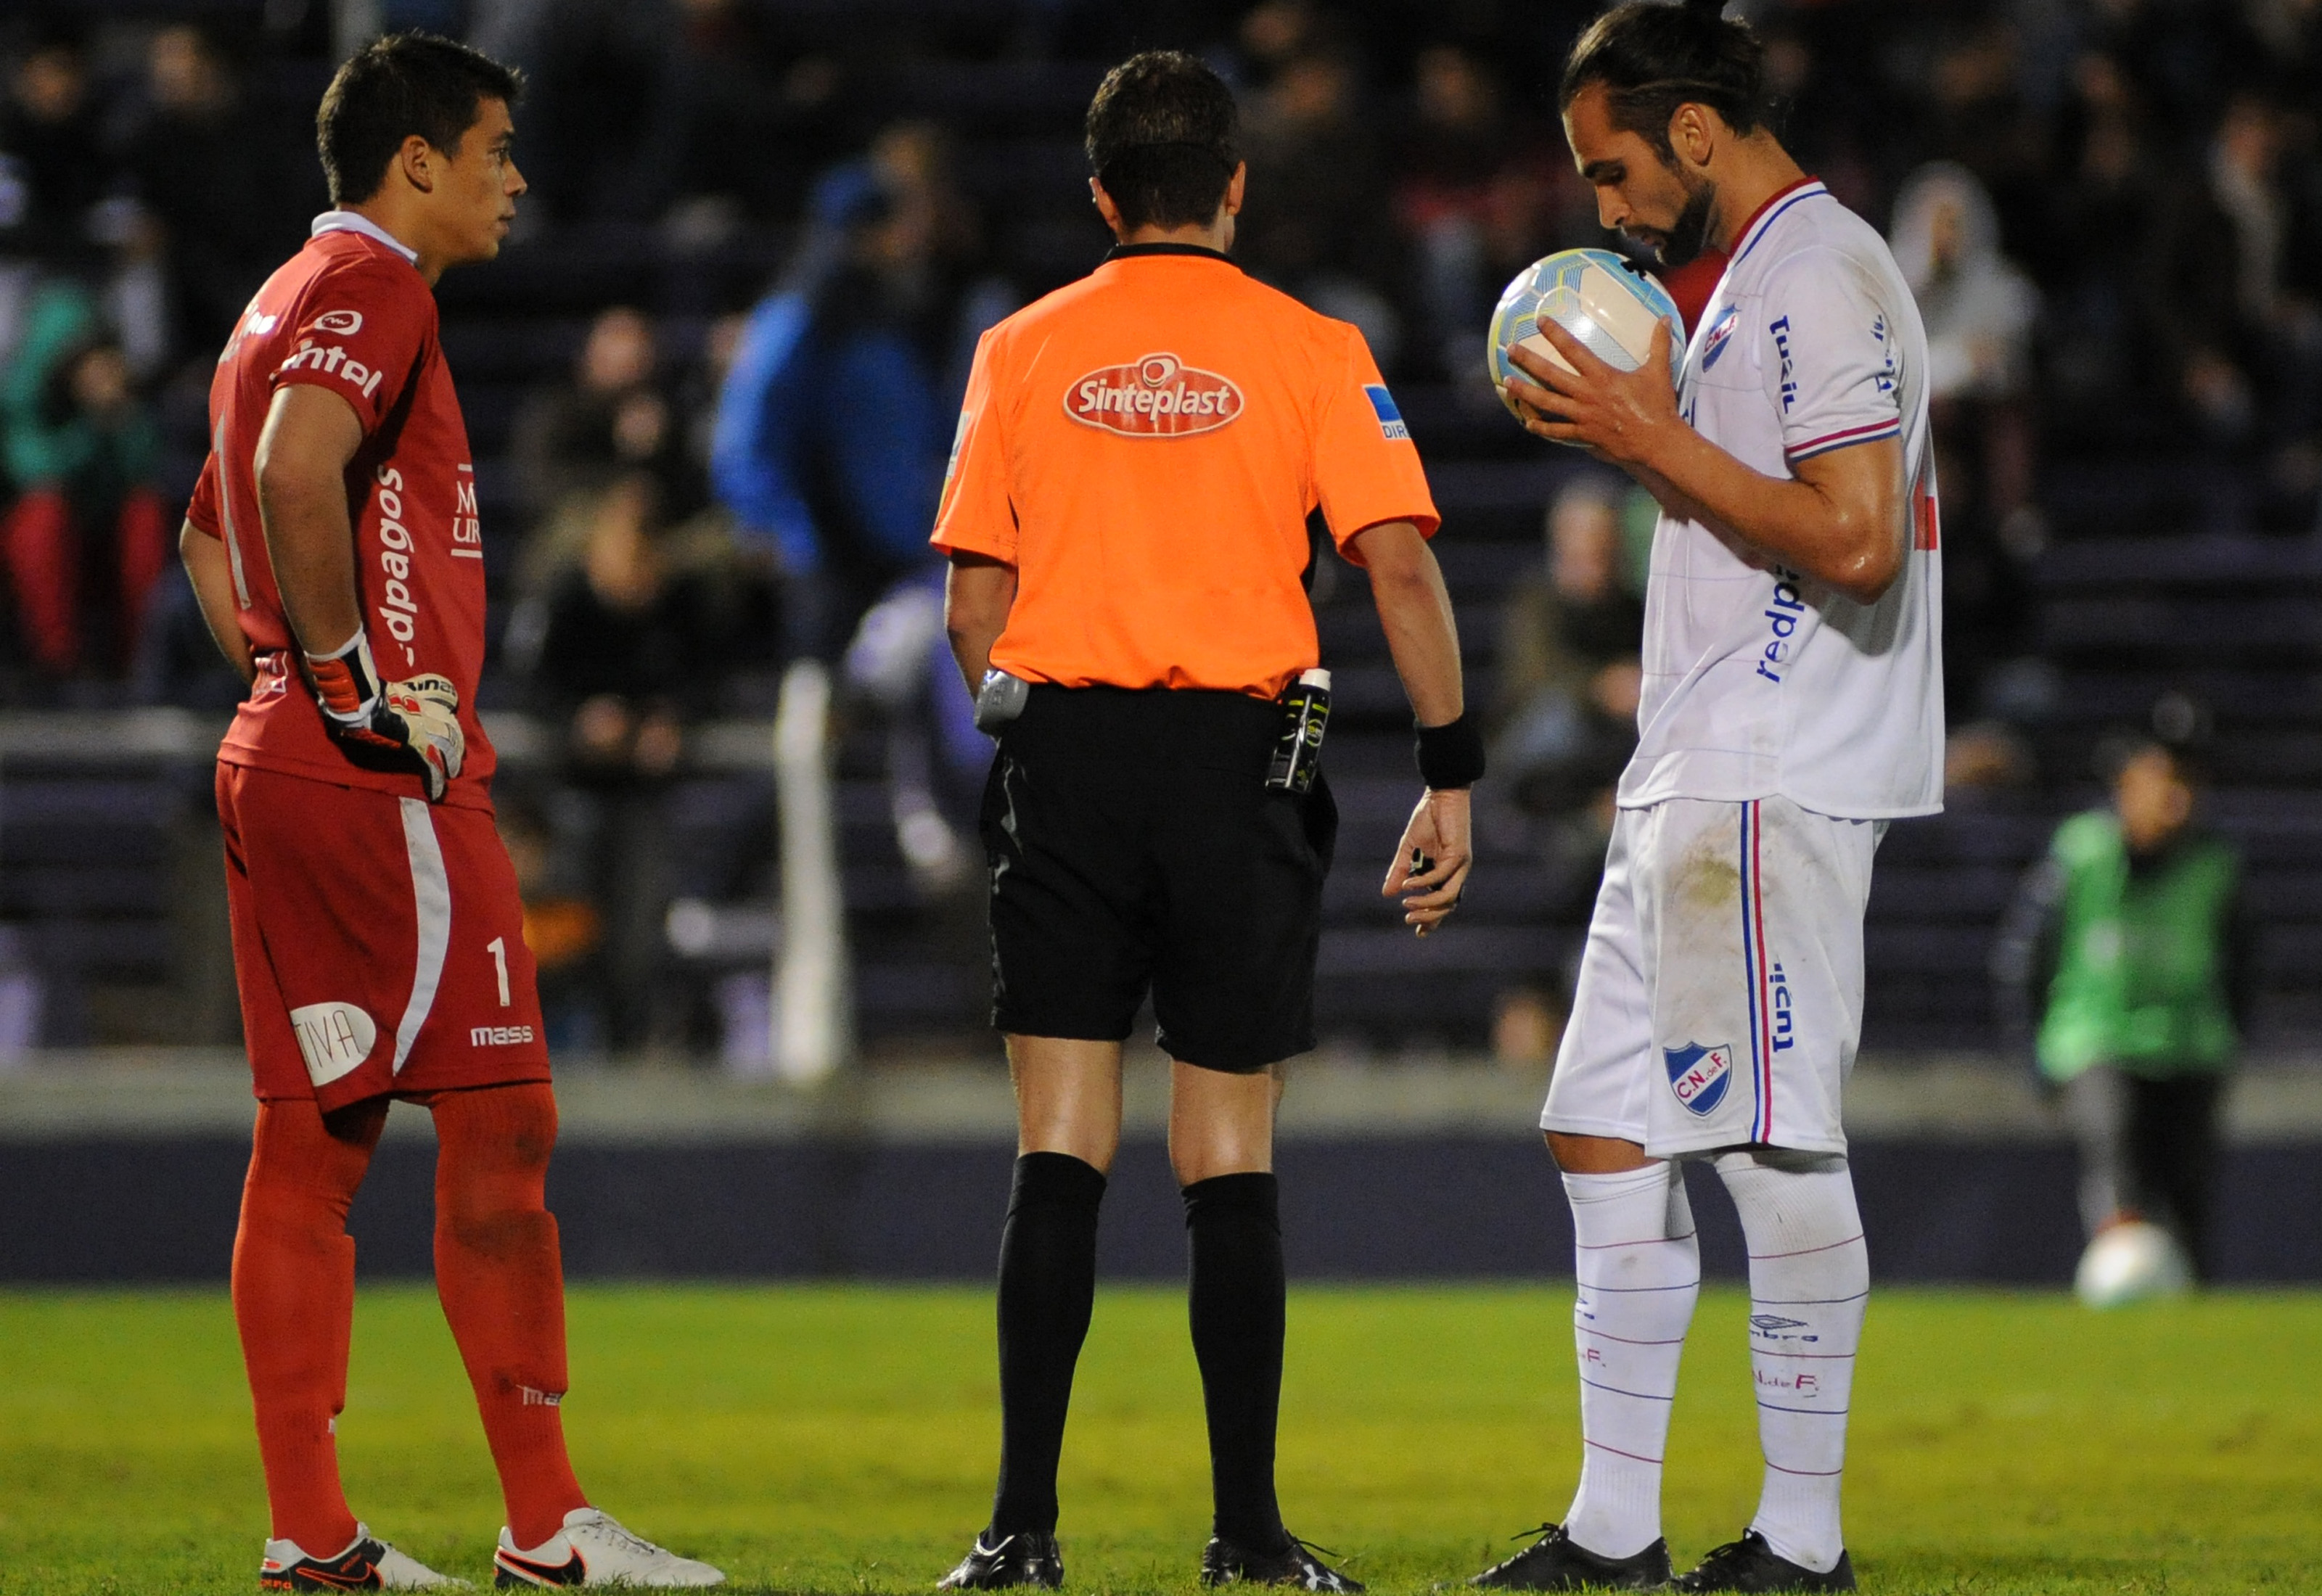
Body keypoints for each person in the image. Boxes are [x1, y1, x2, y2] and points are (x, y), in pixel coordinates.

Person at [174, 33, 722, 1592]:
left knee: (314, 1144)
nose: (514, 180)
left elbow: (214, 536)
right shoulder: (378, 290)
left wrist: (286, 675)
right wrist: (352, 685)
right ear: (415, 158)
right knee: (503, 1123)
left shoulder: (266, 303)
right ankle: (544, 1522)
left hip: (284, 756)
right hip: (375, 777)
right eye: (492, 150)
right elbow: (290, 472)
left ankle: (313, 1533)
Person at [932, 50, 1475, 1594]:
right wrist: (1451, 764)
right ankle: (1244, 1535)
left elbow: (973, 600)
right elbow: (1402, 567)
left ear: (1102, 196)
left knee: (1058, 1144)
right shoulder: (1311, 346)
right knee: (1225, 1153)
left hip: (1071, 757)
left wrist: (1030, 725)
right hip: (1242, 762)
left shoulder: (1019, 348)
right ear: (1235, 186)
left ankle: (1019, 1532)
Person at [1483, 1, 1941, 1590]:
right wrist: (1656, 442)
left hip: (1764, 772)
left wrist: (1643, 432)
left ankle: (1801, 1543)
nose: (1603, 209)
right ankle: (1615, 1526)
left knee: (1764, 1147)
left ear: (1690, 132)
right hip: (1688, 770)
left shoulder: (1814, 272)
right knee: (1602, 1127)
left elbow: (1859, 535)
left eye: (1611, 168)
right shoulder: (1747, 285)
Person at [1993, 715, 2249, 1283]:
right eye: (2165, 778)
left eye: (2190, 782)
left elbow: (2242, 961)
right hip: (2099, 1041)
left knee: (2189, 1198)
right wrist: (2031, 1048)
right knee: (2119, 1168)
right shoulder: (2083, 853)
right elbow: (2025, 956)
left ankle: (2189, 1313)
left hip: (2190, 1046)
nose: (2178, 797)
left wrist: (2232, 1038)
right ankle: (2121, 1288)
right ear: (2127, 782)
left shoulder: (2215, 864)